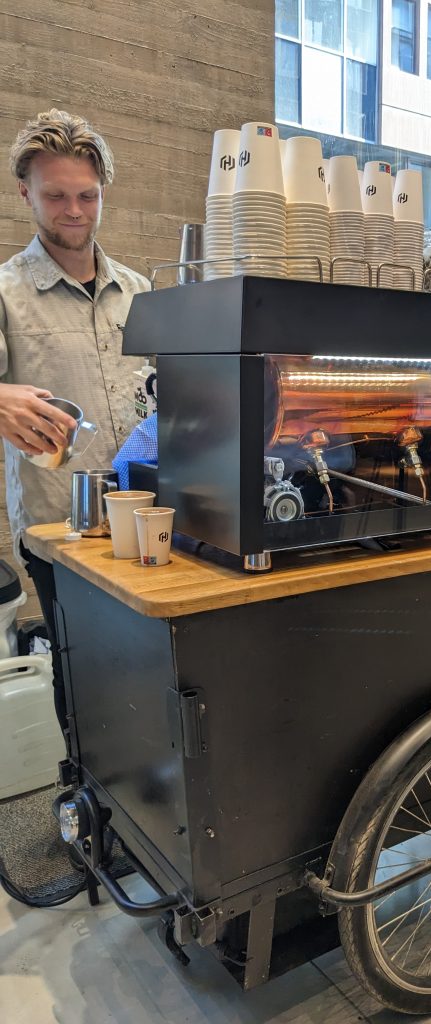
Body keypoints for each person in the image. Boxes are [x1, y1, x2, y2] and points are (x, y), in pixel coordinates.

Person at [0, 108, 149, 736]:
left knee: (147, 667)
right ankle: (82, 799)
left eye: (87, 195)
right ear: (25, 192)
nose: (72, 210)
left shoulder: (141, 291)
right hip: (60, 527)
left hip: (147, 517)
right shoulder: (5, 293)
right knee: (80, 672)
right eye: (55, 195)